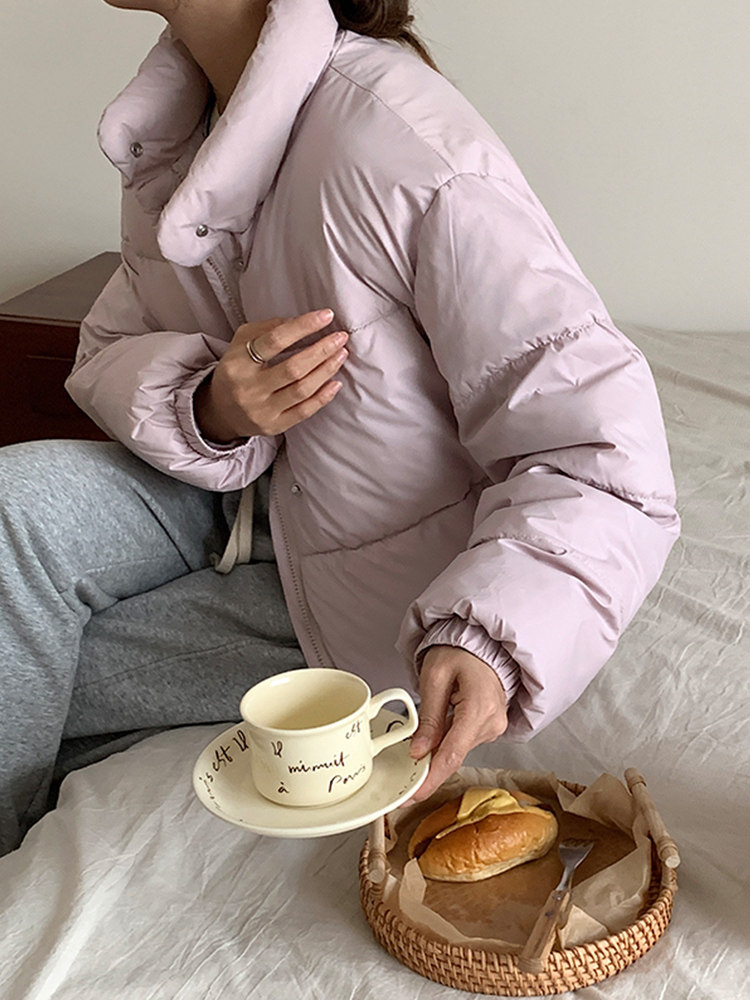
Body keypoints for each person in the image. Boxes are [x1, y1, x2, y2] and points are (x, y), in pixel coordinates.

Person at [0, 0, 679, 857]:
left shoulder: (400, 145)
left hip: (381, 595)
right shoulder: (178, 126)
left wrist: (486, 638)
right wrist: (213, 405)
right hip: (237, 503)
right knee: (12, 507)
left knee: (49, 674)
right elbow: (109, 347)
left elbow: (603, 454)